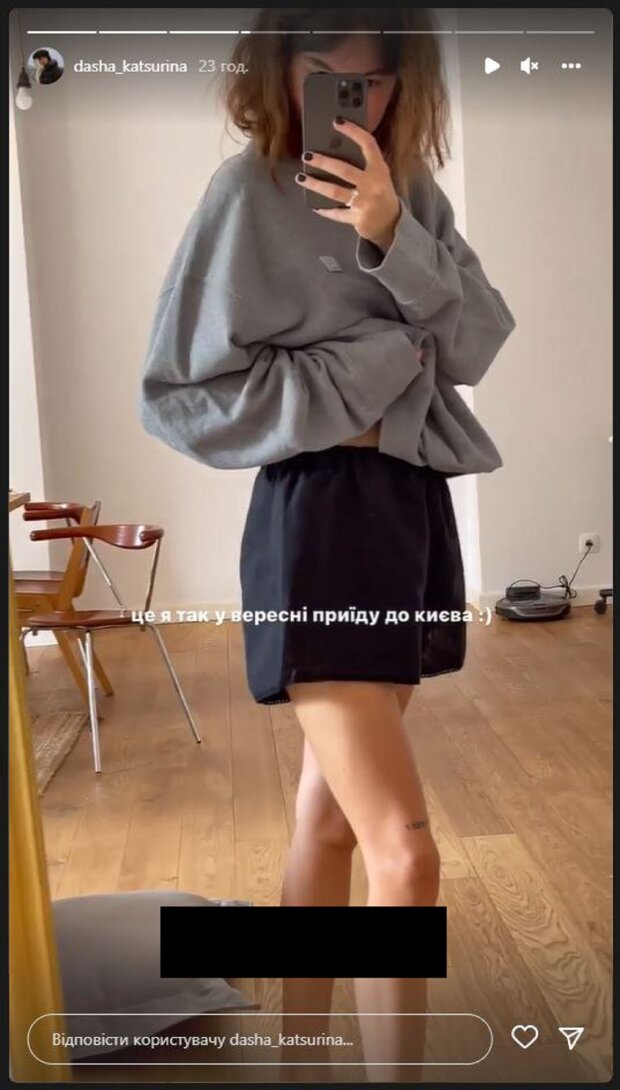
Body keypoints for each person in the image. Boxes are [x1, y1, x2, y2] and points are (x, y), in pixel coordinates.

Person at [140, 6, 515, 1082]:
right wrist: (369, 368)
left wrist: (394, 231)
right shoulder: (244, 197)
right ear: (278, 70)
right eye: (325, 72)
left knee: (334, 826)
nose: (355, 99)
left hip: (408, 508)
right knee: (407, 852)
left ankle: (298, 1061)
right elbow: (180, 392)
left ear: (407, 82)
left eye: (377, 79)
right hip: (317, 518)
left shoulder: (414, 194)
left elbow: (475, 344)